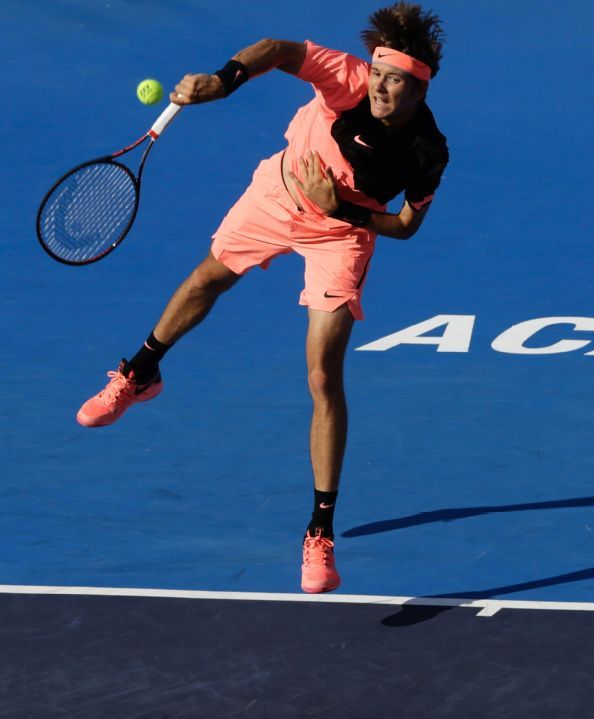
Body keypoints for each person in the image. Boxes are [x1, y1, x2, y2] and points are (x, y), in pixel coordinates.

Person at [74, 2, 449, 594]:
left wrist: (345, 209)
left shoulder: (428, 152)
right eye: (377, 74)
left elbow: (405, 225)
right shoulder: (346, 78)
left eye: (393, 79)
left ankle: (319, 532)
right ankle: (139, 374)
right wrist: (223, 81)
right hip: (278, 192)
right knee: (207, 280)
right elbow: (275, 48)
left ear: (418, 86)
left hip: (341, 235)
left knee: (324, 377)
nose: (378, 86)